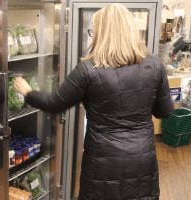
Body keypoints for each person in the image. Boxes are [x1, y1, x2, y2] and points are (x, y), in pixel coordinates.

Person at [14, 3, 173, 200]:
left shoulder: (88, 70)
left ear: (100, 33)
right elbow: (164, 112)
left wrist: (28, 92)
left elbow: (55, 103)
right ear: (132, 32)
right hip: (141, 159)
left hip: (102, 163)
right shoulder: (155, 66)